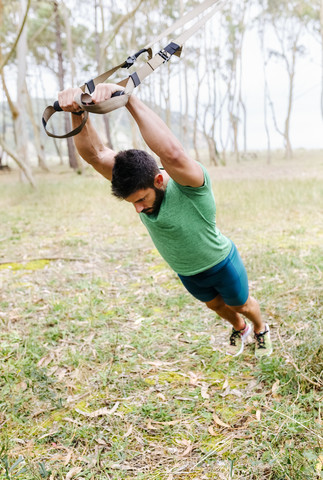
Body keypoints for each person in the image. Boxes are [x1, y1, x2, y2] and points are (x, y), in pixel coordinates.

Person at [58, 83, 272, 358]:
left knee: (241, 304)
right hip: (187, 271)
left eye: (141, 199)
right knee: (215, 306)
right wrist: (77, 111)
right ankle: (240, 328)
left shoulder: (190, 185)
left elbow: (172, 154)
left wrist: (128, 99)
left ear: (159, 180)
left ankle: (260, 327)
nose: (137, 209)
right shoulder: (135, 181)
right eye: (132, 203)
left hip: (220, 263)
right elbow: (96, 155)